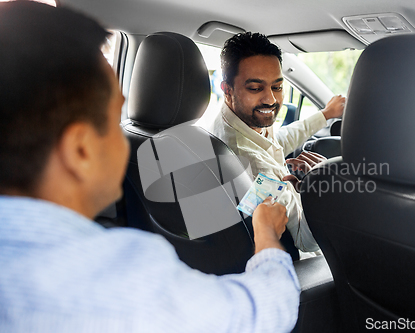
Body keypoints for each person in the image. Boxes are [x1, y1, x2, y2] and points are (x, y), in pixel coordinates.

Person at [0, 2, 299, 332]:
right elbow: (262, 314)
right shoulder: (122, 280)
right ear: (80, 150)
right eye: (115, 119)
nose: (124, 131)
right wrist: (267, 235)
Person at [208, 32, 345, 253]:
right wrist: (319, 185)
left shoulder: (230, 119)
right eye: (255, 88)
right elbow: (306, 241)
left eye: (277, 87)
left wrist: (325, 115)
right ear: (227, 90)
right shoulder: (254, 164)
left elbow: (275, 140)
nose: (270, 99)